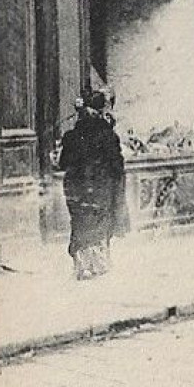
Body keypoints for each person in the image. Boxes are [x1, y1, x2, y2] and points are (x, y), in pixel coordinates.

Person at [58, 90, 128, 280]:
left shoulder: (71, 136)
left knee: (79, 222)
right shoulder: (108, 136)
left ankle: (81, 263)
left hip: (75, 187)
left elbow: (63, 163)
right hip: (100, 185)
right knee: (99, 221)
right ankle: (98, 263)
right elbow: (117, 165)